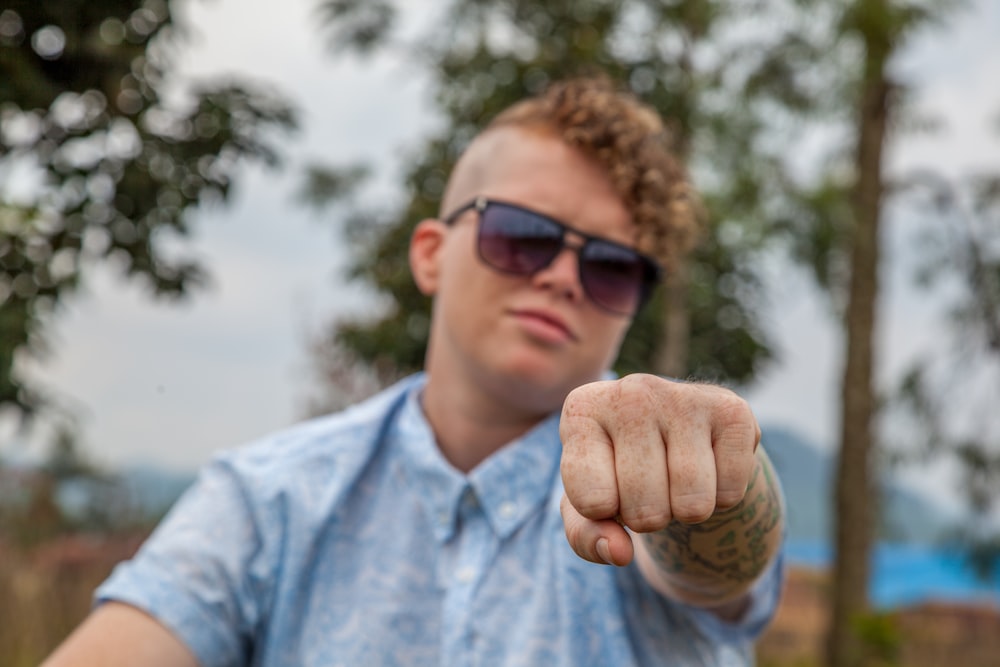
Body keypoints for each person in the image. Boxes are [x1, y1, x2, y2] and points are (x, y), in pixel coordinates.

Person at [43, 75, 785, 666]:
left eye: (613, 266)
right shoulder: (271, 499)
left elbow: (716, 569)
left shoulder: (645, 478)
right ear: (430, 252)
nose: (563, 277)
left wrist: (719, 477)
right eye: (524, 236)